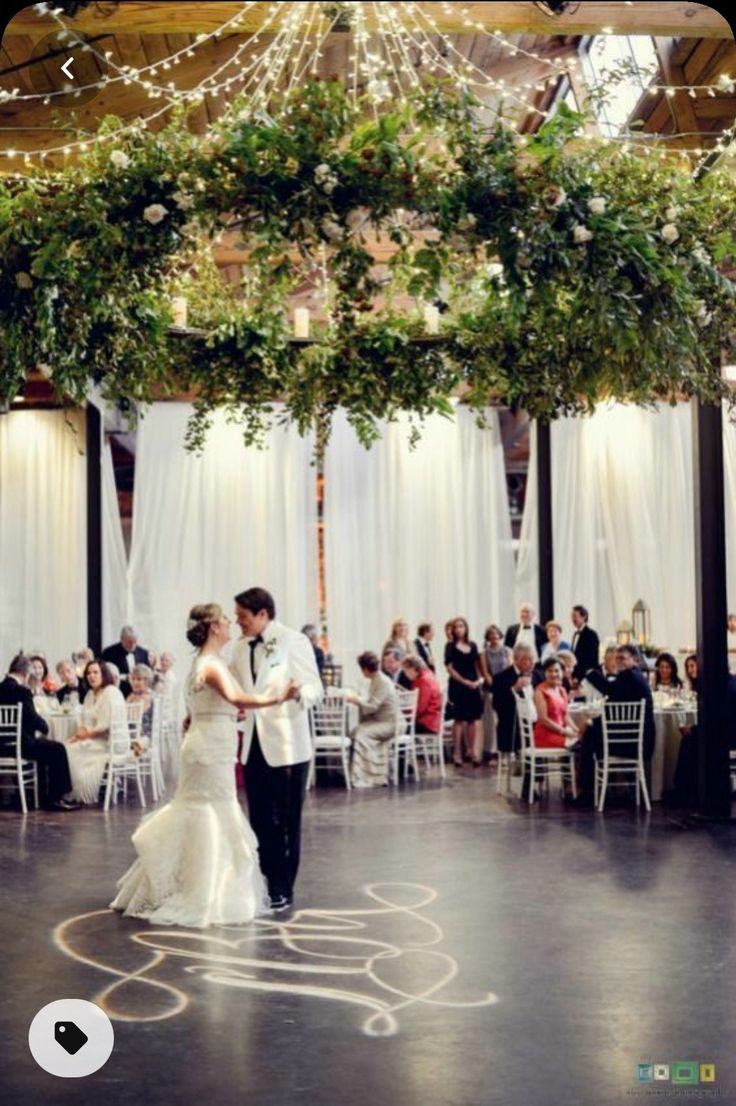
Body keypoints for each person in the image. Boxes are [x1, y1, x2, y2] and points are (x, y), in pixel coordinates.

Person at [111, 603, 299, 927]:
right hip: (209, 749)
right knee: (211, 812)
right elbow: (238, 700)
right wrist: (279, 697)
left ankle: (190, 882)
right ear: (213, 626)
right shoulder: (211, 664)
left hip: (211, 743)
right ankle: (204, 890)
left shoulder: (203, 663)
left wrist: (212, 716)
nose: (230, 624)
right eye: (226, 619)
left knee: (203, 810)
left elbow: (210, 706)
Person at [230, 587, 323, 912]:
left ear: (262, 615)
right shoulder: (240, 648)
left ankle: (284, 887)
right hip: (254, 743)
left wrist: (300, 693)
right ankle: (270, 880)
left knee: (286, 821)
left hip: (288, 747)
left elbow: (316, 687)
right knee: (259, 819)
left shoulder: (293, 641)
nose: (237, 622)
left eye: (242, 616)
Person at [578, 644, 656, 804]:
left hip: (630, 742)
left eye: (623, 658)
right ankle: (602, 788)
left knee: (588, 737)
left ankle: (589, 791)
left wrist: (591, 674)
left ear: (635, 660)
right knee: (592, 735)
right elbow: (615, 703)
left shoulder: (629, 677)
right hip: (634, 738)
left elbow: (610, 694)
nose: (618, 661)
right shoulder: (635, 675)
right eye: (617, 658)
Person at [0, 654, 79, 811]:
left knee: (44, 748)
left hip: (2, 746)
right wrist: (45, 727)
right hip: (20, 745)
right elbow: (32, 719)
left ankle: (39, 796)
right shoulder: (22, 691)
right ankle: (56, 798)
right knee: (57, 749)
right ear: (25, 674)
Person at [666, 674, 736, 808]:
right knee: (692, 739)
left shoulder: (721, 688)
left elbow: (718, 722)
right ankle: (686, 788)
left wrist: (693, 730)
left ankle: (685, 790)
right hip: (727, 732)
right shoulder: (729, 683)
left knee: (689, 742)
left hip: (728, 736)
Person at [66, 660, 127, 804]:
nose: (91, 676)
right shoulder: (89, 694)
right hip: (93, 738)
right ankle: (65, 790)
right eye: (88, 673)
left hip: (108, 742)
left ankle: (81, 791)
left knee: (72, 749)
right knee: (64, 745)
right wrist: (80, 732)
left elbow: (104, 727)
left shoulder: (111, 692)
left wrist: (84, 737)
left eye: (95, 672)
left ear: (103, 674)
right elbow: (84, 720)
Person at [346, 651, 399, 788]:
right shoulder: (377, 679)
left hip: (389, 724)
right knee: (356, 730)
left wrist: (356, 701)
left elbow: (373, 707)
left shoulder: (381, 681)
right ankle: (360, 772)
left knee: (360, 733)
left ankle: (371, 776)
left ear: (364, 669)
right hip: (382, 721)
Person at [444, 617, 483, 767]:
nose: (459, 629)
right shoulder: (450, 646)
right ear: (453, 630)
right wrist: (464, 681)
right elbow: (450, 668)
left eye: (462, 626)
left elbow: (477, 665)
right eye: (457, 627)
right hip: (458, 685)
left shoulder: (473, 645)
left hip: (473, 684)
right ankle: (457, 753)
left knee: (473, 719)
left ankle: (472, 751)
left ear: (466, 628)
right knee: (459, 719)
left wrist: (478, 681)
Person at [479, 624, 511, 760]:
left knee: (504, 720)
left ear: (500, 635)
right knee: (492, 721)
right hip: (491, 688)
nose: (494, 636)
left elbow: (510, 668)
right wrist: (495, 686)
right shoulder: (484, 653)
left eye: (496, 634)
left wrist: (505, 686)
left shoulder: (507, 651)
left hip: (505, 688)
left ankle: (505, 750)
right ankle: (491, 751)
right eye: (491, 634)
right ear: (488, 637)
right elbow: (485, 673)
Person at [533, 658, 582, 749]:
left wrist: (576, 730)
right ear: (545, 673)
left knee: (584, 740)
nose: (554, 674)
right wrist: (564, 731)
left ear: (562, 673)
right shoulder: (540, 691)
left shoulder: (562, 690)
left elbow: (565, 716)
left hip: (559, 734)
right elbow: (543, 719)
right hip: (545, 736)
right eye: (550, 671)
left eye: (556, 671)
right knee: (580, 746)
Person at [101, 626, 151, 696]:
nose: (133, 645)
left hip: (139, 693)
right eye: (129, 642)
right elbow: (105, 674)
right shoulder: (109, 652)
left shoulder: (144, 653)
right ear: (121, 639)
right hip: (118, 691)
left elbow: (147, 675)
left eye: (135, 642)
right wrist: (124, 677)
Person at [402, 653, 442, 735]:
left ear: (413, 668)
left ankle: (407, 748)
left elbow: (420, 707)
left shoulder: (422, 680)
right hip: (433, 721)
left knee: (399, 729)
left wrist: (405, 712)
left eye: (405, 670)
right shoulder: (429, 674)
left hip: (427, 723)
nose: (405, 674)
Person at [570, 605, 600, 683]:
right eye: (572, 616)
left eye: (575, 616)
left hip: (586, 677)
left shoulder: (591, 634)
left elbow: (591, 659)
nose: (573, 619)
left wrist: (579, 677)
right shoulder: (575, 634)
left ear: (584, 617)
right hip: (576, 676)